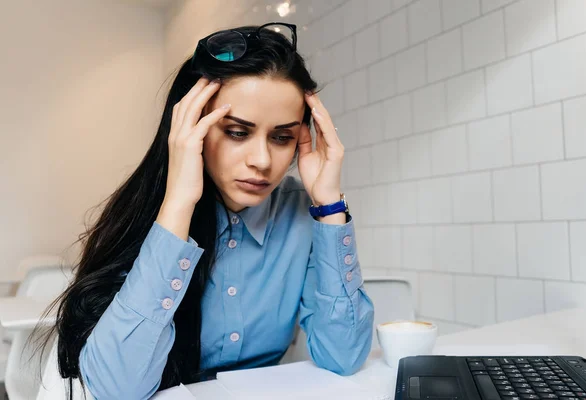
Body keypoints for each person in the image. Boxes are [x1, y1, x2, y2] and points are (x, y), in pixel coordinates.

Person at [35, 22, 374, 399]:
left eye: (282, 138)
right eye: (236, 132)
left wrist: (329, 206)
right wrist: (178, 206)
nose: (262, 161)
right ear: (192, 127)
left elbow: (343, 357)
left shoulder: (300, 212)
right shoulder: (149, 211)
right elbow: (117, 390)